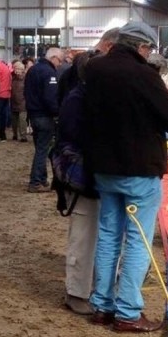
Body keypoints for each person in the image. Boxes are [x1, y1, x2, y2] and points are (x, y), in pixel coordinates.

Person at [81, 21, 168, 332]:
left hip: (103, 167)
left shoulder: (94, 70)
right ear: (142, 47)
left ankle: (102, 305)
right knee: (138, 239)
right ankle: (127, 311)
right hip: (139, 168)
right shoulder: (143, 75)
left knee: (109, 235)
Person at [57, 66, 101, 316]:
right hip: (82, 176)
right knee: (83, 234)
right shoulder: (78, 100)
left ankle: (84, 288)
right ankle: (75, 292)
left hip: (88, 174)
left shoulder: (81, 97)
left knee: (88, 234)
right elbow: (75, 137)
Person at [24, 47, 62, 192]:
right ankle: (35, 182)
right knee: (42, 150)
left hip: (33, 115)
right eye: (59, 60)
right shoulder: (49, 72)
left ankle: (42, 178)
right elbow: (50, 97)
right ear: (54, 58)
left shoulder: (32, 70)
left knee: (40, 148)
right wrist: (57, 112)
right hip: (44, 116)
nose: (59, 64)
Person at [10, 61, 28, 142]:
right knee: (14, 119)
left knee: (22, 119)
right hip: (13, 100)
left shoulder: (26, 77)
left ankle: (23, 136)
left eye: (18, 69)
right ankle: (15, 134)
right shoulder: (12, 77)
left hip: (23, 101)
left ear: (22, 69)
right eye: (15, 68)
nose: (16, 70)